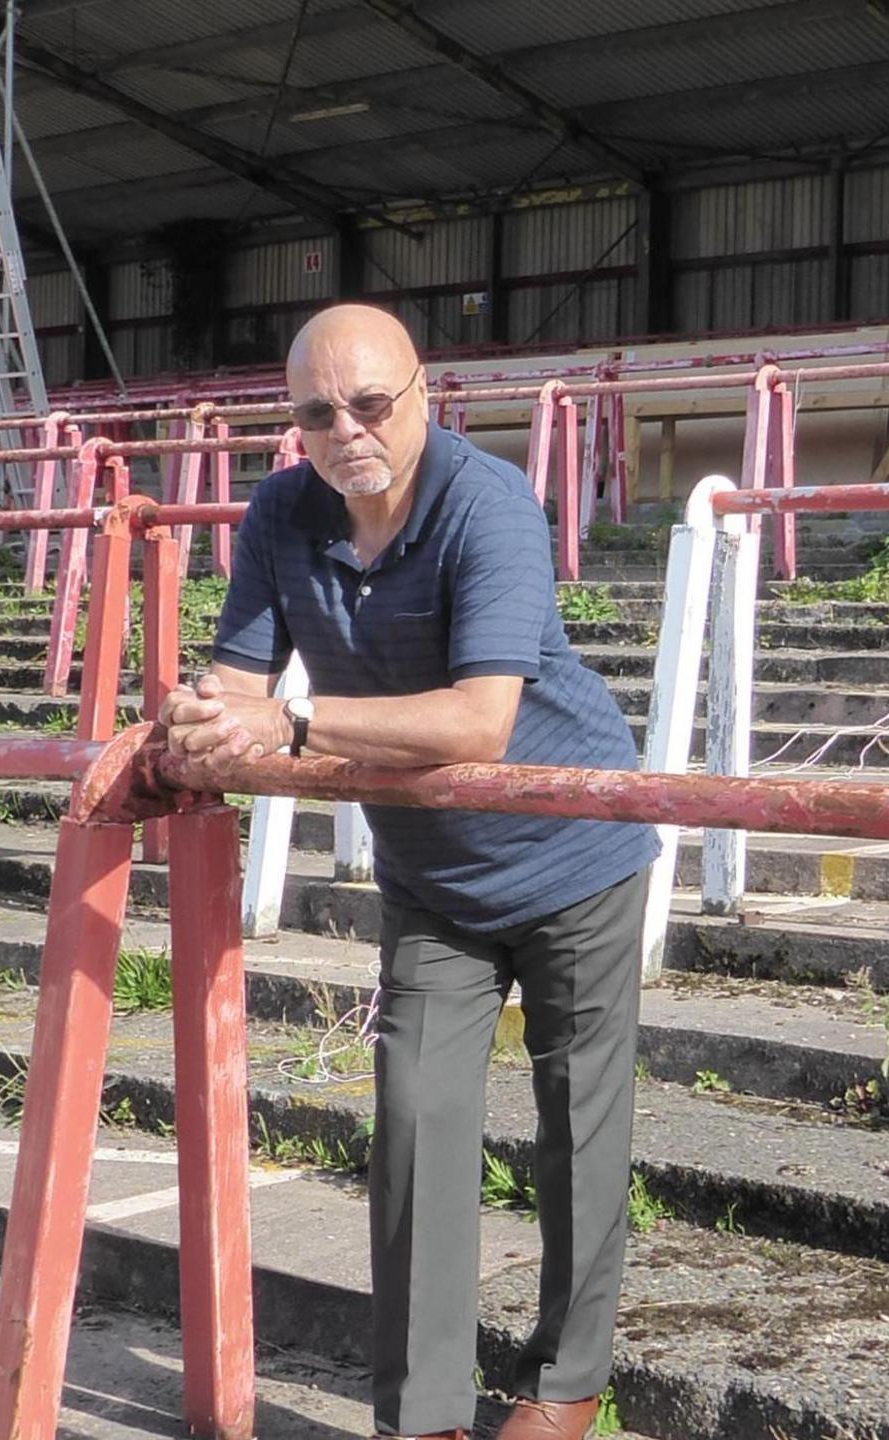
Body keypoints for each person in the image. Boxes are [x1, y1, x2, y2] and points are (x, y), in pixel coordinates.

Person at [160, 303, 658, 1440]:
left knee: (578, 1127)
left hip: (573, 851)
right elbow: (240, 675)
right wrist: (202, 713)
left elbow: (481, 721)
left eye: (370, 403)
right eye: (317, 413)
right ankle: (422, 1412)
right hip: (433, 873)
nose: (346, 430)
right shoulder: (284, 512)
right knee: (415, 1120)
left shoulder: (488, 506)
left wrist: (289, 725)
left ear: (424, 393)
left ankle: (562, 1390)